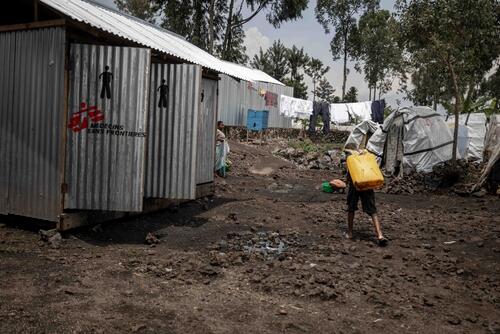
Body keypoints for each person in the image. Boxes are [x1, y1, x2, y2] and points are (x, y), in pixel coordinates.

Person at [343, 147, 388, 246]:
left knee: (351, 208)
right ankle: (380, 235)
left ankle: (350, 233)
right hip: (368, 184)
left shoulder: (350, 158)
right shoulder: (364, 156)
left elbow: (349, 175)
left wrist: (345, 182)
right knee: (373, 211)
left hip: (355, 186)